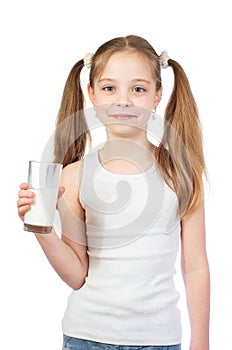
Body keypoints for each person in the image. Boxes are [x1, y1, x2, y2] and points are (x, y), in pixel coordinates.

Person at [17, 35, 210, 350]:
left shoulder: (181, 173)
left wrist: (201, 342)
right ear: (91, 94)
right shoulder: (75, 176)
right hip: (87, 337)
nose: (123, 100)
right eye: (109, 88)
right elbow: (78, 274)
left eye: (138, 89)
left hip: (159, 340)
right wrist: (42, 230)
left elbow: (196, 265)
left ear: (157, 94)